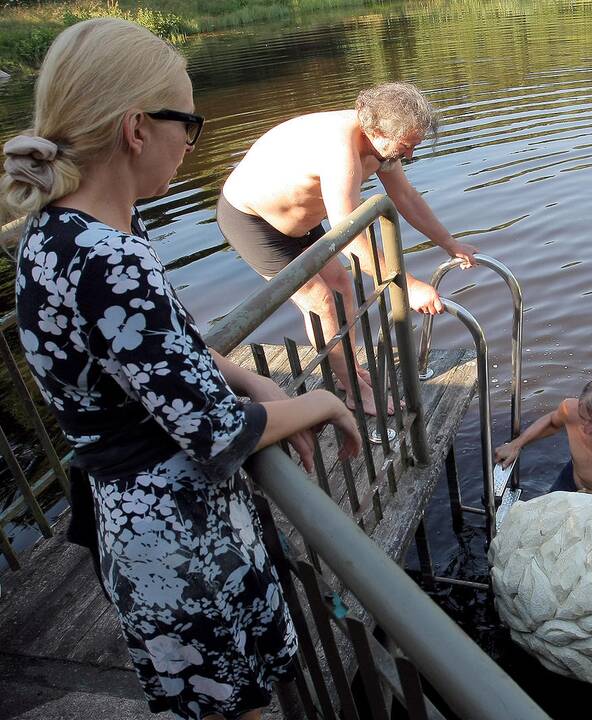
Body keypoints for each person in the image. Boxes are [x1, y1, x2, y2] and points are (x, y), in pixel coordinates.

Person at [2, 18, 363, 720]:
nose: (191, 143)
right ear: (137, 128)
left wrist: (251, 376)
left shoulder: (61, 230)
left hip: (136, 526)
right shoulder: (110, 257)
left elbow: (157, 346)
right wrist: (320, 401)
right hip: (178, 538)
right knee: (235, 707)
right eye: (188, 124)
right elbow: (218, 432)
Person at [218, 82, 477, 415]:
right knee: (321, 301)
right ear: (374, 130)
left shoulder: (381, 140)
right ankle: (356, 394)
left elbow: (407, 198)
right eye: (405, 147)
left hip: (301, 220)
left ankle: (347, 371)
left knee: (341, 286)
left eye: (413, 147)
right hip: (254, 221)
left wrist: (449, 243)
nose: (409, 156)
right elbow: (349, 238)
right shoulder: (338, 151)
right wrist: (408, 286)